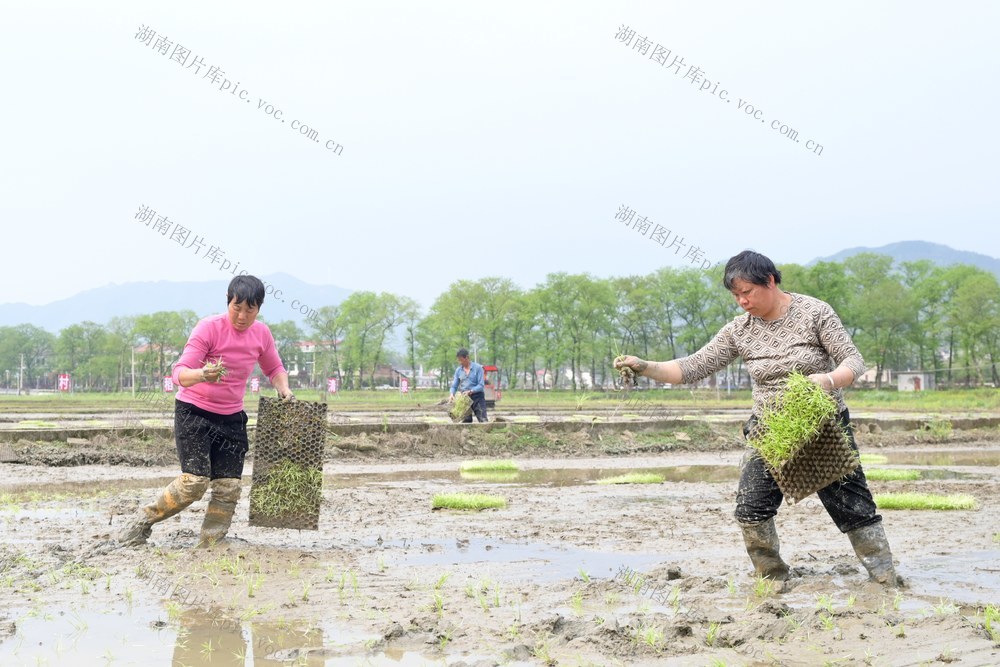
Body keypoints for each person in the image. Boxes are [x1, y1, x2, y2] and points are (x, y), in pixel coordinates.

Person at [615, 250, 901, 586]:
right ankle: (772, 577)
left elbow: (853, 362)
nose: (741, 302)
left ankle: (885, 577)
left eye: (746, 292)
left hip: (822, 425)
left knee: (852, 506)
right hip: (770, 429)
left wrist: (826, 380)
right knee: (751, 508)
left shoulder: (814, 312)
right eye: (735, 295)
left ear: (770, 281)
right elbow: (692, 367)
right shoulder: (740, 330)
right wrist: (644, 366)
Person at [118, 275, 294, 548]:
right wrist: (202, 373)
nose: (242, 316)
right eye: (237, 307)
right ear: (228, 301)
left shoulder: (262, 333)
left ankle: (212, 543)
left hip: (232, 417)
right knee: (194, 482)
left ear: (259, 309)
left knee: (228, 487)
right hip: (194, 413)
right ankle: (142, 521)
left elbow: (274, 368)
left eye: (250, 310)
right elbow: (178, 373)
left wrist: (284, 389)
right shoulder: (208, 328)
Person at [448, 348, 487, 423]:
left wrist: (471, 391)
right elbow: (454, 386)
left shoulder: (478, 368)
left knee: (483, 419)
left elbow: (481, 385)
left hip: (477, 396)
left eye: (461, 360)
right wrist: (451, 394)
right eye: (458, 360)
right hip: (464, 398)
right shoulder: (458, 370)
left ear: (467, 358)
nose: (460, 362)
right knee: (466, 421)